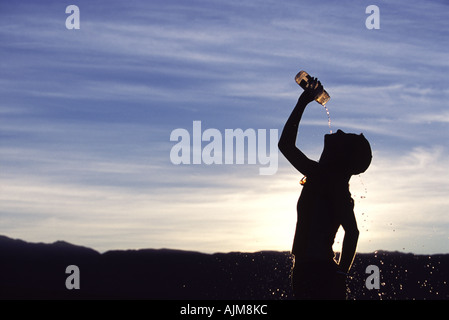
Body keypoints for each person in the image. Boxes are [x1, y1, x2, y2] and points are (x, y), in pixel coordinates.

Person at [278, 76, 372, 300]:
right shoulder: (322, 176)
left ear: (343, 157)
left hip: (316, 274)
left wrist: (340, 274)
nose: (338, 132)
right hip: (313, 272)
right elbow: (285, 146)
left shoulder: (329, 181)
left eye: (344, 138)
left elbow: (353, 231)